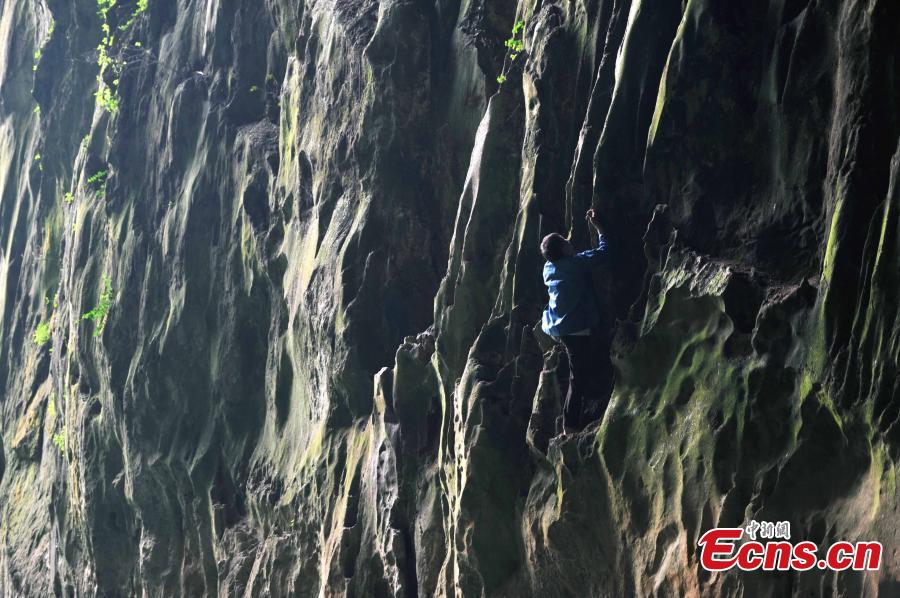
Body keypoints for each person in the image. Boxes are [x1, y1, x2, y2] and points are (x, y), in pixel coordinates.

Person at [540, 208, 610, 434]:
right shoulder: (577, 263)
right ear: (563, 249)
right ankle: (569, 426)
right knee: (577, 377)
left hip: (557, 326)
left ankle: (582, 414)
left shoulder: (548, 268)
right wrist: (599, 228)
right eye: (564, 241)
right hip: (576, 327)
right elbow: (604, 252)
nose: (569, 241)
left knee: (582, 367)